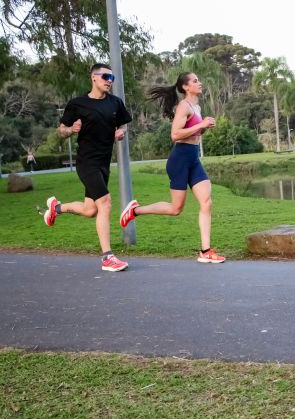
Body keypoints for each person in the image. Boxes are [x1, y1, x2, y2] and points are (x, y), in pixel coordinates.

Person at [119, 72, 226, 264]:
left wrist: (203, 127)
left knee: (206, 202)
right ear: (186, 87)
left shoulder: (197, 106)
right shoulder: (184, 106)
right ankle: (135, 211)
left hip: (193, 159)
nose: (199, 83)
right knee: (176, 209)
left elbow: (193, 132)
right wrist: (200, 124)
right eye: (195, 81)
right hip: (179, 160)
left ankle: (205, 250)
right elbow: (175, 134)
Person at [43, 63, 132, 272]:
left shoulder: (115, 103)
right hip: (86, 162)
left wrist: (121, 131)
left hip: (103, 162)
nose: (109, 81)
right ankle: (107, 257)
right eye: (105, 77)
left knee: (90, 210)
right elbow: (61, 130)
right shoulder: (78, 104)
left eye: (112, 78)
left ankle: (56, 208)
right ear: (93, 77)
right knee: (106, 203)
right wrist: (71, 129)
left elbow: (124, 123)